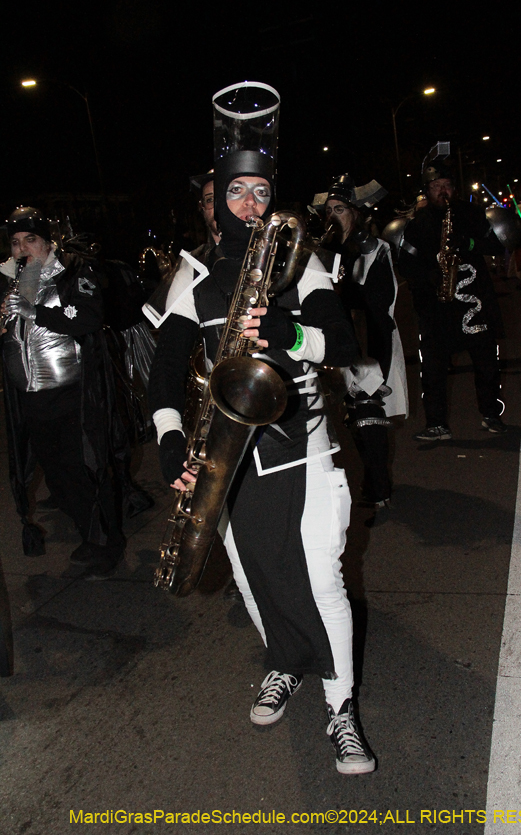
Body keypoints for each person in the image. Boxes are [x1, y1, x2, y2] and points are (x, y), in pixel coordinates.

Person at [148, 82, 375, 774]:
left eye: (259, 191)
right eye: (234, 192)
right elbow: (161, 377)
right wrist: (166, 444)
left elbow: (341, 343)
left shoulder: (303, 265)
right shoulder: (192, 281)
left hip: (297, 448)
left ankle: (342, 708)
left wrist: (288, 329)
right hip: (227, 459)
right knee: (253, 582)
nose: (248, 204)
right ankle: (284, 662)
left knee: (321, 580)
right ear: (214, 202)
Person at [0, 207, 126, 577]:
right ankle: (90, 534)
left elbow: (87, 319)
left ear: (46, 241)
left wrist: (35, 311)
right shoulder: (13, 280)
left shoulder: (72, 274)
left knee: (85, 469)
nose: (23, 249)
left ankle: (107, 542)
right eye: (16, 242)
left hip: (71, 393)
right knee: (57, 475)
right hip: (29, 396)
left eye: (31, 240)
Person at [313, 174, 408, 509]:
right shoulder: (324, 253)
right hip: (336, 343)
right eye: (329, 211)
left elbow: (379, 302)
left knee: (368, 412)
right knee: (349, 417)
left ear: (355, 211)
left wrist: (343, 284)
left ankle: (378, 484)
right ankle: (368, 476)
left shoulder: (374, 250)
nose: (333, 216)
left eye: (340, 209)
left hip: (369, 341)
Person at [398, 149, 506, 440]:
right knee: (432, 370)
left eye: (446, 185)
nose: (442, 192)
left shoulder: (470, 213)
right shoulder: (418, 224)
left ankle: (491, 414)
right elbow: (405, 261)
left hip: (474, 302)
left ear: (453, 188)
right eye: (435, 187)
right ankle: (436, 423)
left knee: (486, 362)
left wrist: (468, 242)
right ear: (427, 190)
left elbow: (495, 245)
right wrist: (428, 276)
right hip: (438, 306)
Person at [190, 169, 220, 244]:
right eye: (210, 200)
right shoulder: (196, 255)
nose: (218, 206)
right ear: (202, 207)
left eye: (225, 198)